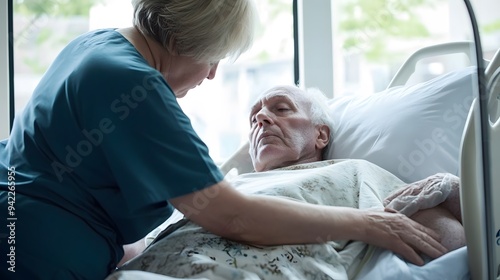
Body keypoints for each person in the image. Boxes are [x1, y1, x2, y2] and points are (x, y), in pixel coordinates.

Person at [0, 1, 446, 279]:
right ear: (178, 39)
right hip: (35, 253)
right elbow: (233, 217)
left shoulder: (95, 47)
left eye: (283, 109)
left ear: (322, 134)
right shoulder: (133, 88)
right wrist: (367, 223)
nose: (213, 73)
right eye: (212, 57)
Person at [109, 85, 466, 280]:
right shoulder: (220, 193)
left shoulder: (356, 172)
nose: (261, 118)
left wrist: (452, 191)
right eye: (254, 119)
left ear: (321, 135)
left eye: (281, 109)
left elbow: (452, 245)